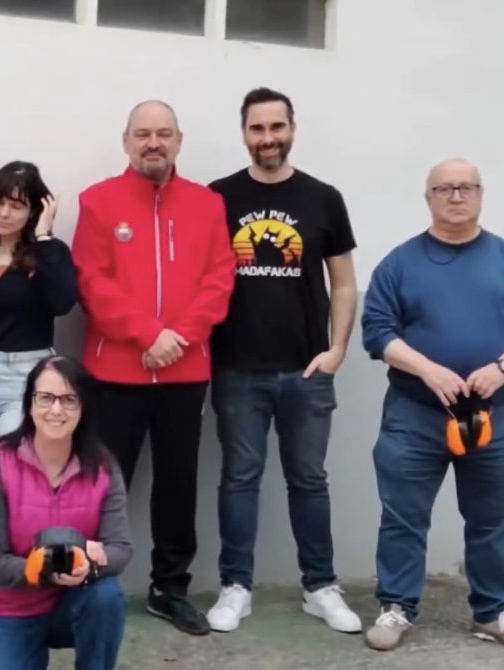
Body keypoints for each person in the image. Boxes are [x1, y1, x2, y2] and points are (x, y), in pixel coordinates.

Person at [360, 158, 504, 654]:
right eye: (444, 188)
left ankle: (494, 613)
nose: (456, 196)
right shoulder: (399, 263)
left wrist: (503, 367)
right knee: (403, 518)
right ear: (428, 197)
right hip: (414, 416)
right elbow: (377, 332)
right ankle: (396, 607)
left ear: (480, 194)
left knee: (491, 520)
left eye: (466, 187)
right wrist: (427, 369)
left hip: (493, 416)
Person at [70, 99, 235, 635]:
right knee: (104, 483)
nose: (153, 143)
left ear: (179, 141)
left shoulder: (208, 204)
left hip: (185, 372)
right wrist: (148, 334)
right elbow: (92, 282)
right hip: (116, 371)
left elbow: (219, 280)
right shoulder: (98, 201)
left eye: (164, 133)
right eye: (143, 134)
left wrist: (177, 338)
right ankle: (93, 584)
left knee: (178, 482)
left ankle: (170, 588)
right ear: (126, 142)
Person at [204, 87, 362, 634]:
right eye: (257, 128)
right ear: (244, 134)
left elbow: (344, 283)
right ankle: (236, 587)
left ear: (292, 128)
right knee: (238, 479)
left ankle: (320, 587)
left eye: (277, 126)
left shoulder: (323, 198)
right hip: (236, 369)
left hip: (307, 371)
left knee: (309, 480)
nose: (267, 138)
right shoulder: (217, 198)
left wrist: (338, 349)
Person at [0, 160, 79, 642]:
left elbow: (62, 302)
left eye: (18, 206)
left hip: (24, 382)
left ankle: (20, 603)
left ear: (35, 211)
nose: (5, 214)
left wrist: (45, 238)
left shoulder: (50, 254)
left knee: (11, 494)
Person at [0, 355, 132, 670]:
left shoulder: (103, 466)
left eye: (69, 399)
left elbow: (121, 548)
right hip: (10, 607)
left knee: (106, 596)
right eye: (45, 397)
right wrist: (39, 567)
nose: (56, 410)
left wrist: (91, 563)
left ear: (83, 407)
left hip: (72, 601)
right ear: (30, 404)